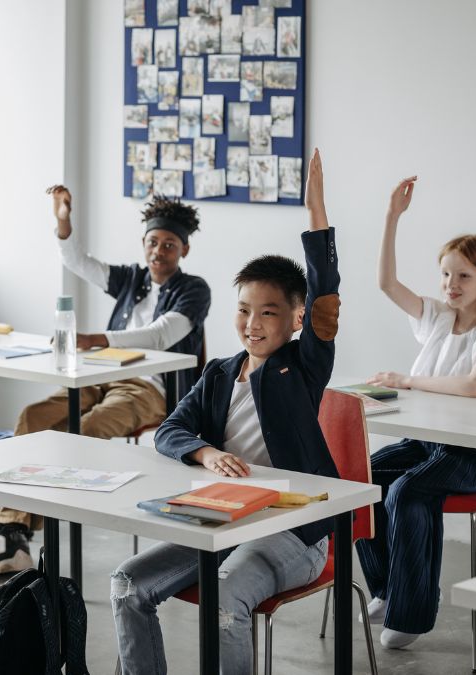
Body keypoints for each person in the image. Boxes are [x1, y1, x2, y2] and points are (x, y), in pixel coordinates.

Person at [111, 149, 337, 674]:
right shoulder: (218, 373)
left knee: (224, 599)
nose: (253, 323)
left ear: (297, 318)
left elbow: (326, 294)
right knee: (127, 585)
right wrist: (207, 453)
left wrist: (316, 214)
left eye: (269, 312)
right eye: (243, 310)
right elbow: (170, 429)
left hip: (294, 530)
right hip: (220, 520)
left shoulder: (303, 367)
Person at [0, 187, 211, 576]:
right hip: (100, 375)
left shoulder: (194, 290)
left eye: (170, 245)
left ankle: (14, 532)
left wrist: (96, 339)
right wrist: (63, 220)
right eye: (153, 242)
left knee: (86, 428)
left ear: (184, 250)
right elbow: (78, 261)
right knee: (35, 415)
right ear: (144, 244)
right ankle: (13, 532)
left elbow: (162, 334)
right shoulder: (132, 279)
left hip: (150, 389)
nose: (159, 251)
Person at [356, 176, 476, 649]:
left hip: (472, 453)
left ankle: (410, 616)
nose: (451, 285)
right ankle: (388, 589)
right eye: (446, 274)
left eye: (464, 276)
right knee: (359, 480)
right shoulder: (437, 317)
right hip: (425, 441)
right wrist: (392, 217)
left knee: (408, 492)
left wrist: (406, 381)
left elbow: (472, 386)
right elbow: (386, 282)